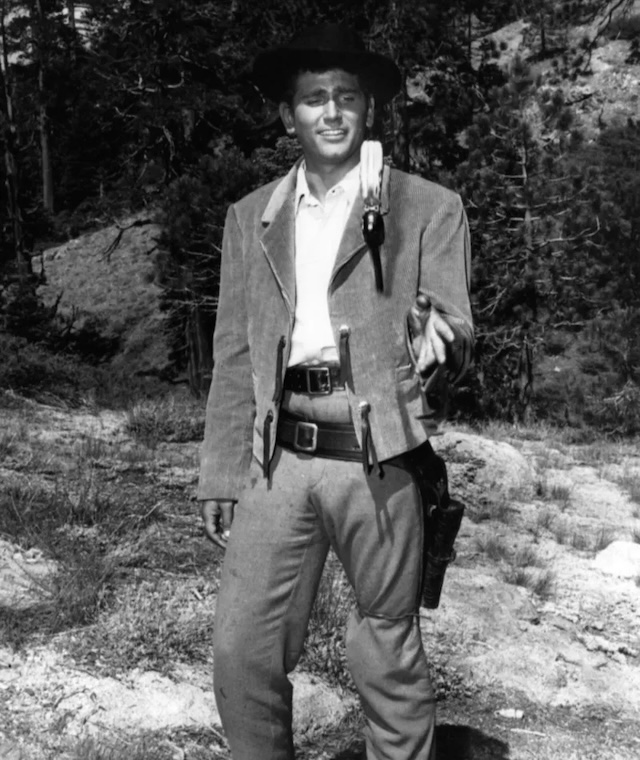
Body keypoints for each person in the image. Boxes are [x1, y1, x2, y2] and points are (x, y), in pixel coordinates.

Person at [198, 23, 473, 760]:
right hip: (277, 456)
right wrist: (222, 471)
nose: (330, 111)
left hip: (376, 456)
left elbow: (454, 323)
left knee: (385, 648)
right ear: (289, 116)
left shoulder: (425, 207)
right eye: (313, 98)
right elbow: (233, 353)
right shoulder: (250, 218)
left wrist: (432, 338)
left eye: (346, 97)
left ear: (369, 111)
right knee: (242, 648)